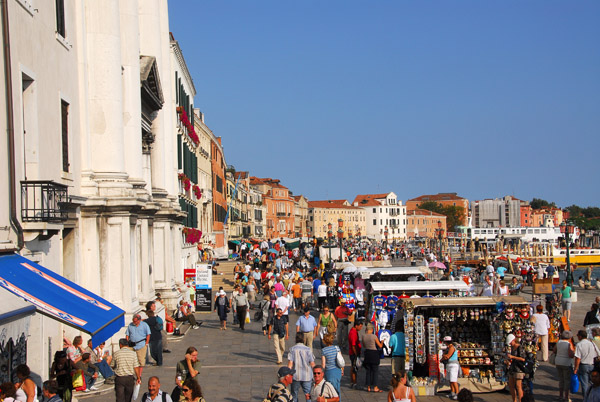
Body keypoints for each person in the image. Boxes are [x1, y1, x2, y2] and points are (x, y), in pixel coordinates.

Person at [288, 332, 316, 402]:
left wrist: (287, 374)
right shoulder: (308, 349)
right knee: (308, 395)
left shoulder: (292, 349)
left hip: (295, 376)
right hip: (307, 376)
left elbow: (290, 364)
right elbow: (312, 364)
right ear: (303, 339)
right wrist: (316, 374)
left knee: (294, 395)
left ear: (296, 339)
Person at [574, 329, 600, 398]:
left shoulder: (579, 344)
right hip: (592, 365)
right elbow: (598, 354)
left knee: (584, 383)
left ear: (580, 336)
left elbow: (578, 358)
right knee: (593, 381)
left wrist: (575, 368)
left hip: (583, 365)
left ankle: (586, 398)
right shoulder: (592, 343)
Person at [554, 330, 575, 402]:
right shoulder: (569, 344)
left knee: (561, 379)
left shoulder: (558, 342)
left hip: (558, 361)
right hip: (566, 363)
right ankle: (566, 397)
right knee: (567, 380)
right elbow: (571, 355)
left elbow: (554, 351)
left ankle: (560, 395)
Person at [363, 323, 384, 393]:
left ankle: (368, 386)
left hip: (367, 354)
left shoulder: (363, 336)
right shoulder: (374, 336)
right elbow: (380, 346)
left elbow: (364, 345)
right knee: (375, 371)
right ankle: (375, 386)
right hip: (374, 354)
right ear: (372, 329)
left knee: (368, 371)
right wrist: (382, 342)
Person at [321, 332, 343, 398]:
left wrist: (322, 373)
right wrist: (342, 369)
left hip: (329, 372)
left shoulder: (324, 350)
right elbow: (341, 360)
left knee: (331, 390)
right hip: (338, 370)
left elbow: (323, 364)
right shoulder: (337, 348)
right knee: (337, 388)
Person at [506, 334, 526, 402]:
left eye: (510, 342)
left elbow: (523, 359)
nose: (510, 344)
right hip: (512, 368)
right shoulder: (512, 348)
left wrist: (513, 357)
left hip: (519, 369)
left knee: (518, 386)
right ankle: (514, 400)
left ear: (513, 340)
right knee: (511, 385)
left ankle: (521, 400)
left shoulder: (519, 347)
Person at [349, 319, 364, 389]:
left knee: (354, 368)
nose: (361, 328)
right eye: (360, 326)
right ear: (356, 325)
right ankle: (354, 382)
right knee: (354, 368)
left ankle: (353, 382)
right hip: (353, 353)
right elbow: (353, 345)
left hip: (354, 352)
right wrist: (356, 354)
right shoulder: (353, 333)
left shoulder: (354, 332)